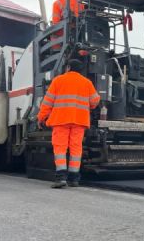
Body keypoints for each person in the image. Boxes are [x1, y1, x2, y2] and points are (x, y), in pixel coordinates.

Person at [37, 59, 100, 188]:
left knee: (60, 148)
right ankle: (74, 179)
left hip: (61, 120)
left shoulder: (58, 80)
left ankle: (61, 178)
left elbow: (47, 102)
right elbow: (95, 101)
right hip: (79, 121)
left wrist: (41, 118)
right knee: (76, 148)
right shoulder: (87, 82)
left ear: (68, 67)